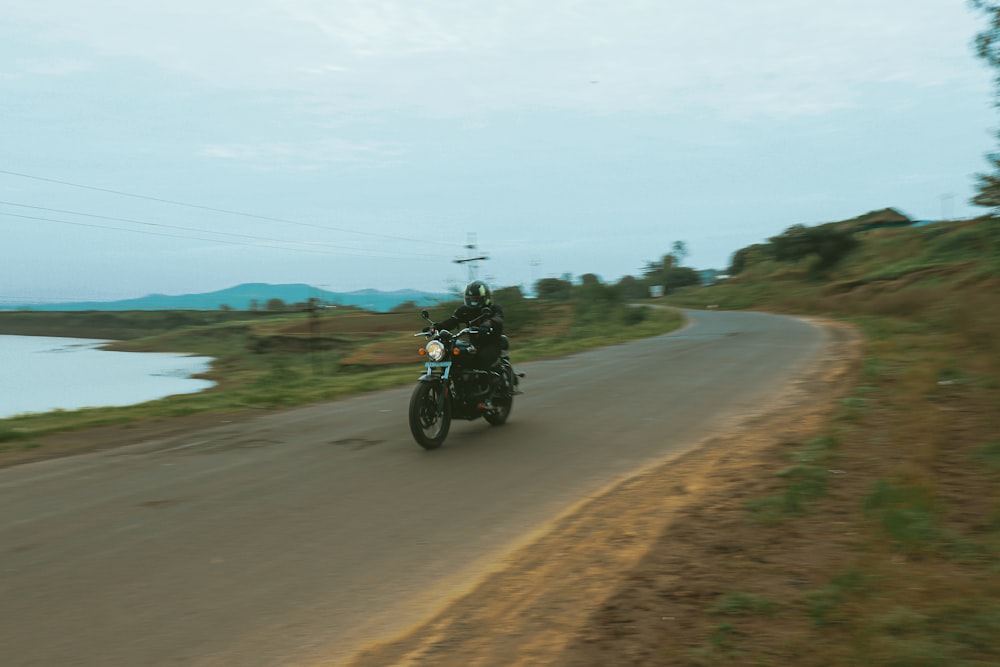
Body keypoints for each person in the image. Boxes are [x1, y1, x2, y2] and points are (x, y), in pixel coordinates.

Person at [433, 280, 505, 373]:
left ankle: (493, 381)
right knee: (458, 357)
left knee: (484, 357)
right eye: (470, 300)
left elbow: (498, 318)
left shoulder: (493, 308)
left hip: (491, 343)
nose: (472, 302)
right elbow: (453, 321)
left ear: (485, 298)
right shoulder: (465, 310)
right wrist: (437, 327)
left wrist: (488, 323)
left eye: (476, 300)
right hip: (474, 344)